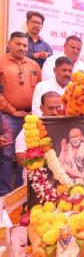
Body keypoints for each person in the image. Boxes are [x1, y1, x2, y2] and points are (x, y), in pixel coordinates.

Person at [0, 32, 41, 195]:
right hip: (8, 117)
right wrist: (13, 110)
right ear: (10, 43)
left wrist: (33, 112)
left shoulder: (33, 65)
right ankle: (4, 193)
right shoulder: (2, 62)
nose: (22, 48)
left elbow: (39, 90)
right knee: (7, 153)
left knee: (25, 153)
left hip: (30, 118)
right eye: (18, 44)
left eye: (25, 45)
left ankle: (19, 192)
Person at [15, 91, 62, 182]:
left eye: (58, 108)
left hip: (62, 180)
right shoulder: (30, 127)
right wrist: (50, 159)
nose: (55, 112)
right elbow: (21, 158)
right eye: (50, 108)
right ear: (41, 108)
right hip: (37, 182)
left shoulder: (66, 125)